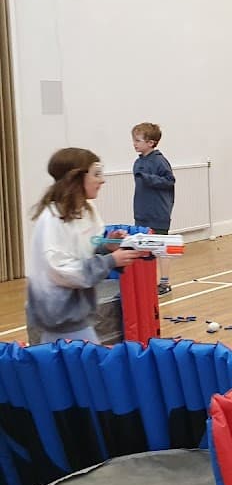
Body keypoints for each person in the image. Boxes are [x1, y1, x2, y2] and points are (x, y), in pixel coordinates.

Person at [26, 148, 144, 344]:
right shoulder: (53, 220)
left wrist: (106, 247)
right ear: (76, 178)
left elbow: (82, 253)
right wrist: (110, 261)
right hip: (58, 317)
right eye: (96, 174)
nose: (102, 180)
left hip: (72, 316)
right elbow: (64, 270)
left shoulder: (82, 212)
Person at [132, 122, 176, 294]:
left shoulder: (159, 161)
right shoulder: (138, 162)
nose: (134, 143)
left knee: (161, 247)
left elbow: (169, 181)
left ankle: (164, 282)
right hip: (142, 211)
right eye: (134, 140)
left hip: (158, 212)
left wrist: (150, 179)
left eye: (138, 140)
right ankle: (147, 281)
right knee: (145, 247)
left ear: (150, 142)